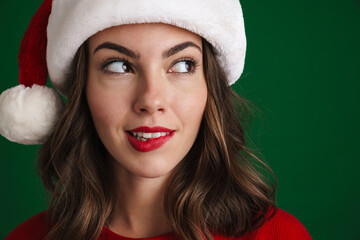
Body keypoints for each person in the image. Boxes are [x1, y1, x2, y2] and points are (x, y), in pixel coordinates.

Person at [0, 0, 312, 239]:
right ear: (83, 88)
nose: (151, 100)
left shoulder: (279, 234)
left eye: (182, 65)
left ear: (210, 86)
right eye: (119, 66)